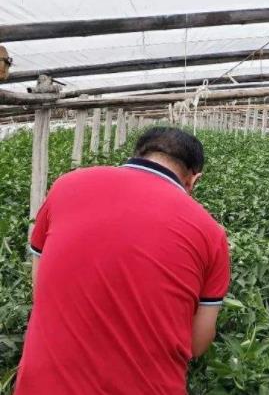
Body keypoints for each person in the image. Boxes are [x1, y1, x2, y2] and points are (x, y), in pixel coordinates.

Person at [15, 127, 230, 395]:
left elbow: (41, 288)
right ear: (194, 179)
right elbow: (197, 343)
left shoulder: (66, 185)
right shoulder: (211, 233)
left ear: (137, 154)